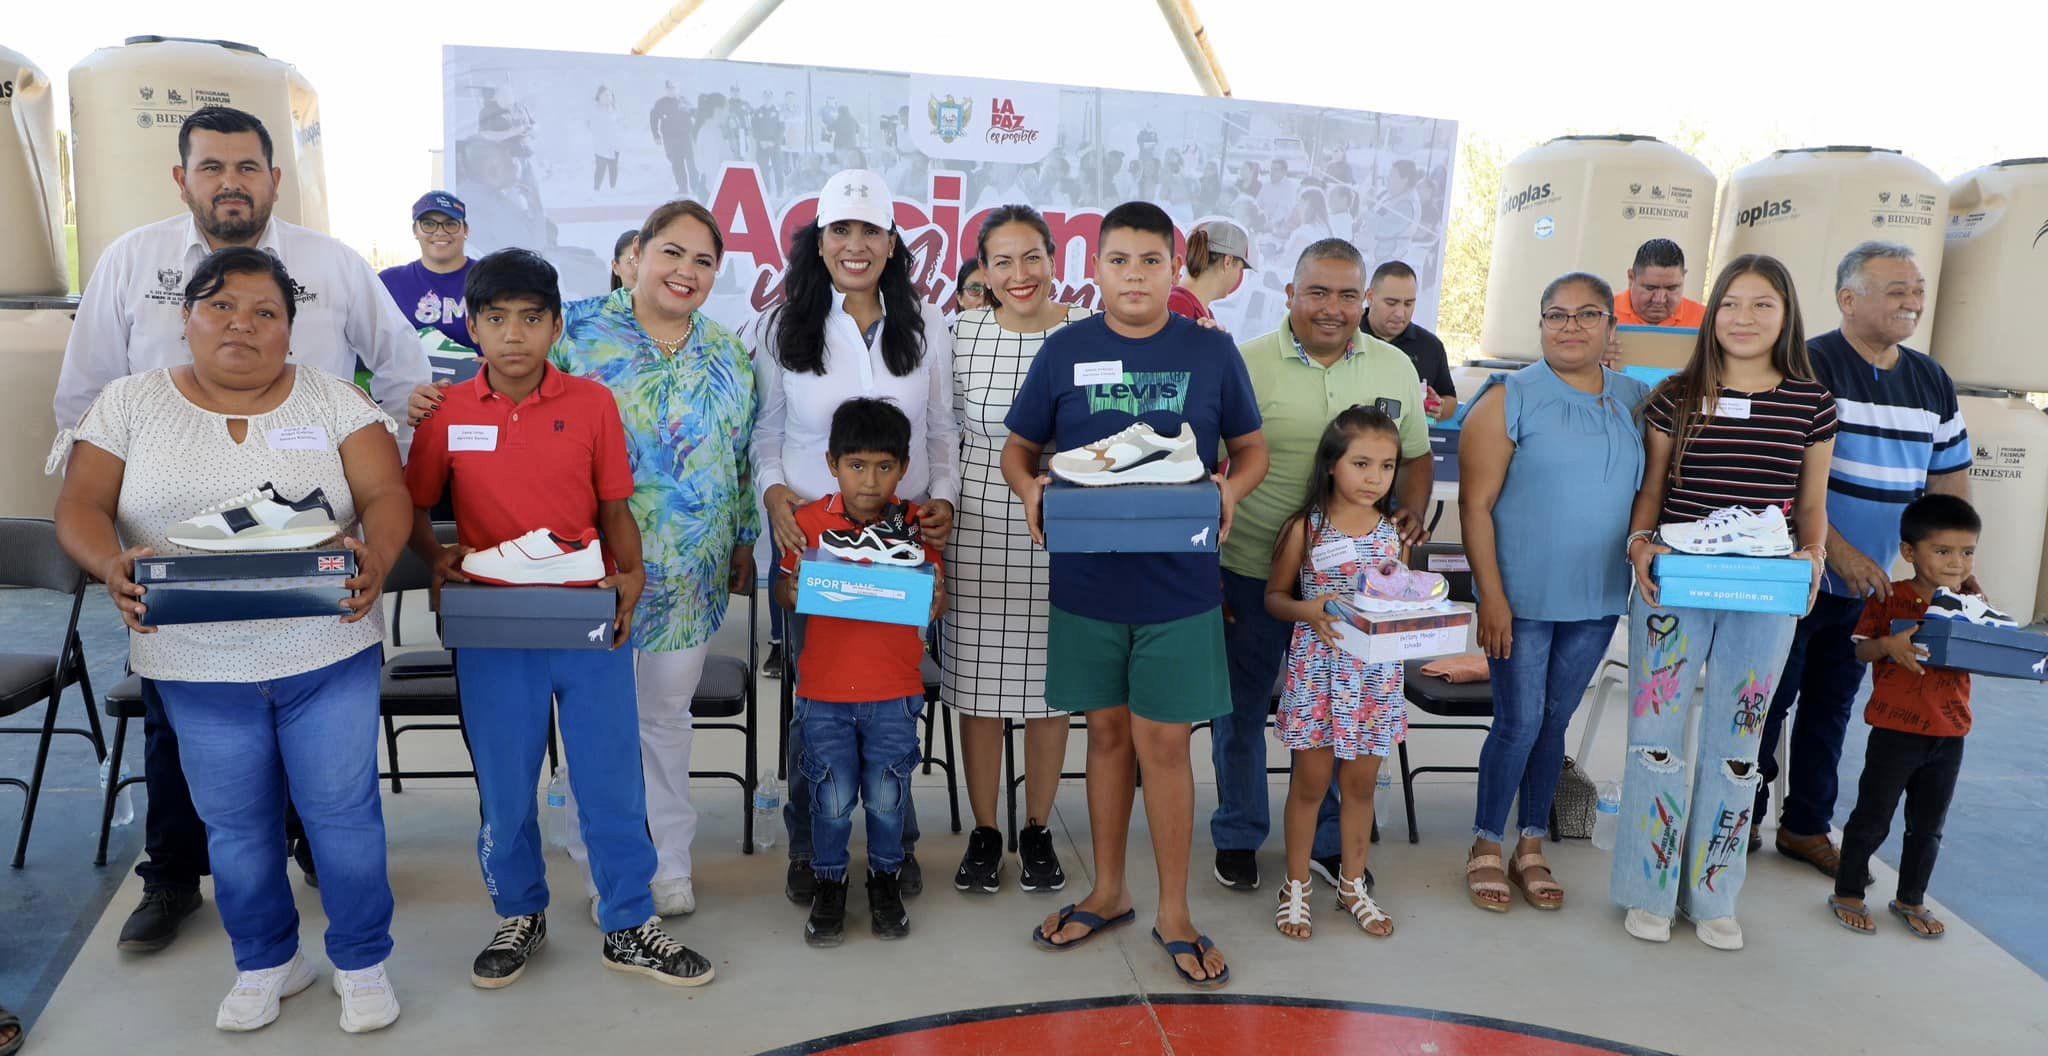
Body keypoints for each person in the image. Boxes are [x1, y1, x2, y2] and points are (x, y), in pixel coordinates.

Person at [54, 105, 429, 955]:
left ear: (273, 178)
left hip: (316, 599)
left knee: (328, 789)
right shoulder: (130, 266)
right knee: (195, 763)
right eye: (212, 167)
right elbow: (81, 409)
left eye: (247, 167)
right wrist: (113, 542)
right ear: (182, 178)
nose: (231, 182)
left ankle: (323, 874)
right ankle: (174, 880)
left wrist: (371, 494)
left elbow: (402, 381)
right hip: (180, 603)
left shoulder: (333, 270)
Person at [404, 249, 714, 990]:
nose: (515, 335)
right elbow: (411, 501)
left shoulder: (590, 403)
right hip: (492, 627)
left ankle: (630, 920)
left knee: (609, 778)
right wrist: (436, 558)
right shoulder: (446, 411)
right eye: (497, 319)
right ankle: (520, 912)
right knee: (507, 785)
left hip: (584, 618)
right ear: (473, 328)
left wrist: (631, 576)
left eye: (532, 319)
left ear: (554, 327)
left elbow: (614, 507)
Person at [1006, 200, 1268, 990]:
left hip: (1180, 584)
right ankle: (1111, 892)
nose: (1133, 276)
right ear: (1096, 266)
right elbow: (1022, 448)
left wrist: (1232, 493)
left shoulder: (1211, 353)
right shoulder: (1065, 349)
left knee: (1166, 744)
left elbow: (1251, 449)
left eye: (1150, 261)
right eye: (1118, 260)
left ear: (1173, 266)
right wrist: (1028, 491)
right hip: (1087, 582)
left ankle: (1176, 912)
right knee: (1108, 738)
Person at [1613, 254, 1837, 950]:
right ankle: (1648, 886)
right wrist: (1641, 541)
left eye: (1762, 304)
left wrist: (1812, 560)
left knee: (1740, 747)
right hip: (1674, 587)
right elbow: (1653, 487)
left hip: (1764, 593)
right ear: (1712, 313)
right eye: (1732, 303)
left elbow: (1811, 503)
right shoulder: (1673, 397)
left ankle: (1714, 892)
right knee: (1656, 740)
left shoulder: (1812, 403)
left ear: (1786, 315)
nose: (1745, 318)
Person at [750, 169, 961, 906]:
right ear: (819, 241)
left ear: (892, 242)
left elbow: (941, 431)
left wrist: (943, 501)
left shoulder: (927, 322)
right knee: (819, 704)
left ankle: (895, 849)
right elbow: (767, 434)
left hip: (903, 540)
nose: (856, 245)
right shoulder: (784, 326)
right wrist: (774, 494)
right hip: (811, 543)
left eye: (870, 230)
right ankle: (812, 850)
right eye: (841, 230)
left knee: (889, 697)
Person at [550, 200, 761, 922]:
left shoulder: (727, 352)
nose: (686, 271)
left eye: (704, 261)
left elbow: (737, 458)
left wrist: (740, 538)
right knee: (595, 721)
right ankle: (602, 861)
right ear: (636, 254)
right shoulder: (572, 332)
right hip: (590, 569)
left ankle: (669, 861)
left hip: (691, 578)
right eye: (673, 252)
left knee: (666, 719)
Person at [1212, 238, 1431, 894]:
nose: (1331, 308)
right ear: (1289, 295)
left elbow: (1415, 455)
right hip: (1253, 569)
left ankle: (1331, 845)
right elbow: (1205, 464)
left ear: (1364, 301)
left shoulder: (1394, 368)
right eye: (1317, 292)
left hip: (1355, 592)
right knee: (1241, 710)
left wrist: (1411, 518)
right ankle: (1240, 834)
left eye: (1345, 295)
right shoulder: (1245, 365)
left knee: (1344, 713)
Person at [1755, 241, 1971, 876]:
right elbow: (1784, 479)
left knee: (1834, 706)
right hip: (1801, 573)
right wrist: (1836, 553)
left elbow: (1948, 484)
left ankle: (1805, 827)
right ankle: (1737, 816)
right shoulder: (1806, 365)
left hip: (1874, 587)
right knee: (1769, 698)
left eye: (1916, 288)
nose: (1912, 300)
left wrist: (1948, 570)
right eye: (1895, 289)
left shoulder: (1932, 380)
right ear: (1848, 300)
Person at [1459, 272, 1649, 912]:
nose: (1570, 326)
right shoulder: (1508, 397)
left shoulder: (1636, 399)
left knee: (1554, 721)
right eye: (1556, 314)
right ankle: (1487, 842)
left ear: (1611, 328)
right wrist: (1491, 596)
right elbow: (1475, 507)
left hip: (1596, 596)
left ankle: (1531, 841)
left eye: (1587, 314)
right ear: (1540, 324)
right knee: (1518, 721)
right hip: (1521, 596)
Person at [943, 205, 1092, 894]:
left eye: (1031, 257)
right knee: (976, 689)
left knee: (1050, 690)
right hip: (977, 526)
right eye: (1001, 261)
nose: (1019, 274)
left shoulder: (1089, 334)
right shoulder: (960, 333)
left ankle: (1035, 828)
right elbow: (944, 435)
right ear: (982, 271)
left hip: (1063, 527)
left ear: (1054, 258)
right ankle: (985, 830)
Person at [774, 398, 946, 945]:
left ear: (904, 467)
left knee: (888, 793)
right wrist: (797, 586)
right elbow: (784, 589)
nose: (869, 480)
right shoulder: (806, 523)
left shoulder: (917, 527)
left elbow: (933, 602)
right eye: (856, 465)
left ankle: (885, 879)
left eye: (884, 467)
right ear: (831, 463)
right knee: (830, 795)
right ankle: (829, 884)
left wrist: (932, 597)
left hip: (894, 690)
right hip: (823, 692)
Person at [1267, 407, 1407, 941]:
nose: (1375, 478)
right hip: (1318, 675)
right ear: (1331, 465)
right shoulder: (1305, 528)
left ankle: (1353, 884)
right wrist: (1311, 609)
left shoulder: (1395, 532)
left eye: (1387, 466)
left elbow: (1405, 596)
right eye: (1362, 463)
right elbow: (1275, 599)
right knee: (1310, 785)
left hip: (1373, 679)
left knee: (1360, 787)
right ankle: (1296, 885)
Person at [1826, 494, 1983, 939]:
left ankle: (1911, 898)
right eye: (1944, 551)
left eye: (1967, 552)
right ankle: (1848, 892)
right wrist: (1889, 648)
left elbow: (1997, 648)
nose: (1957, 563)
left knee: (1929, 826)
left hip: (1950, 734)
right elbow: (1860, 649)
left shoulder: (1971, 603)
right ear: (1910, 552)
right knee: (1873, 816)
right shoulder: (1889, 598)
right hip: (1896, 732)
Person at [378, 191, 475, 350]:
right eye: (428, 224)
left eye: (450, 223)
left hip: (480, 375)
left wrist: (496, 363)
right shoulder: (389, 283)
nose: (440, 232)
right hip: (409, 375)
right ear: (415, 231)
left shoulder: (490, 278)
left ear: (465, 230)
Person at [1364, 260, 1457, 421]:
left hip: (1408, 443)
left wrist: (1439, 407)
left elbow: (1450, 399)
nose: (1400, 313)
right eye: (1391, 303)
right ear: (1370, 297)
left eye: (1408, 304)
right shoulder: (1345, 336)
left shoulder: (1431, 346)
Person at [1168, 220, 1252, 323]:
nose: (1238, 276)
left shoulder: (1201, 313)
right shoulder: (1178, 305)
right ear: (1228, 262)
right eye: (1240, 269)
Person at [1614, 238, 1707, 328]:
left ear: (1683, 278)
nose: (1660, 300)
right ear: (1631, 278)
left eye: (1671, 288)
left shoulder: (1705, 320)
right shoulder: (1605, 315)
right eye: (1650, 288)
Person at [650, 82, 696, 195]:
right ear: (665, 90)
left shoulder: (684, 101)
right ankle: (683, 189)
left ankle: (695, 188)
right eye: (669, 88)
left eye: (674, 88)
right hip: (670, 139)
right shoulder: (660, 103)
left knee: (692, 163)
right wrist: (656, 135)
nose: (671, 90)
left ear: (678, 89)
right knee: (677, 164)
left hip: (687, 137)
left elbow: (695, 114)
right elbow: (653, 119)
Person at [591, 85, 624, 192]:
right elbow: (591, 126)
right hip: (601, 144)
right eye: (605, 95)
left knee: (613, 167)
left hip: (614, 143)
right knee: (600, 167)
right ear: (599, 96)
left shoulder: (615, 109)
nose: (608, 97)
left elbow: (620, 124)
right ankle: (596, 189)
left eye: (609, 95)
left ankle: (613, 188)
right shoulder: (595, 110)